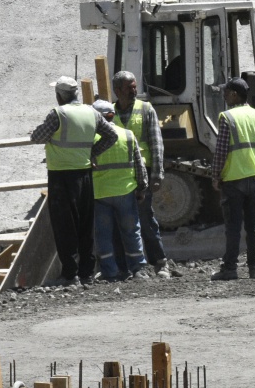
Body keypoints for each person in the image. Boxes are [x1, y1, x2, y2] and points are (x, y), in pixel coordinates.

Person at [30, 76, 118, 286]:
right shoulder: (92, 112)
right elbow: (111, 136)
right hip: (84, 174)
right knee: (85, 224)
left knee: (64, 226)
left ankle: (70, 274)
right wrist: (91, 152)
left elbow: (37, 137)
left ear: (59, 96)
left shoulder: (58, 114)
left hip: (61, 176)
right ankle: (86, 272)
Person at [212, 77, 255, 281]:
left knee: (233, 228)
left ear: (234, 94)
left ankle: (230, 269)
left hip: (233, 180)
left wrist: (215, 176)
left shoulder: (227, 117)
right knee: (253, 227)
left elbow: (221, 152)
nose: (224, 95)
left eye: (226, 92)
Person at [112, 70, 169, 276]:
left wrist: (157, 174)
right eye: (129, 88)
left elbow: (156, 143)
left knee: (145, 218)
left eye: (135, 87)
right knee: (120, 221)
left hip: (142, 173)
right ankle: (125, 266)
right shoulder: (109, 113)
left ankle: (159, 261)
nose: (134, 91)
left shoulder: (145, 109)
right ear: (118, 90)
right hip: (118, 175)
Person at [89, 99, 151, 282]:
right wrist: (142, 187)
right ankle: (138, 268)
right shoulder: (128, 135)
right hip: (125, 191)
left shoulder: (90, 139)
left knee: (103, 234)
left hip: (100, 193)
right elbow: (139, 165)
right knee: (131, 231)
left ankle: (109, 271)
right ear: (112, 115)